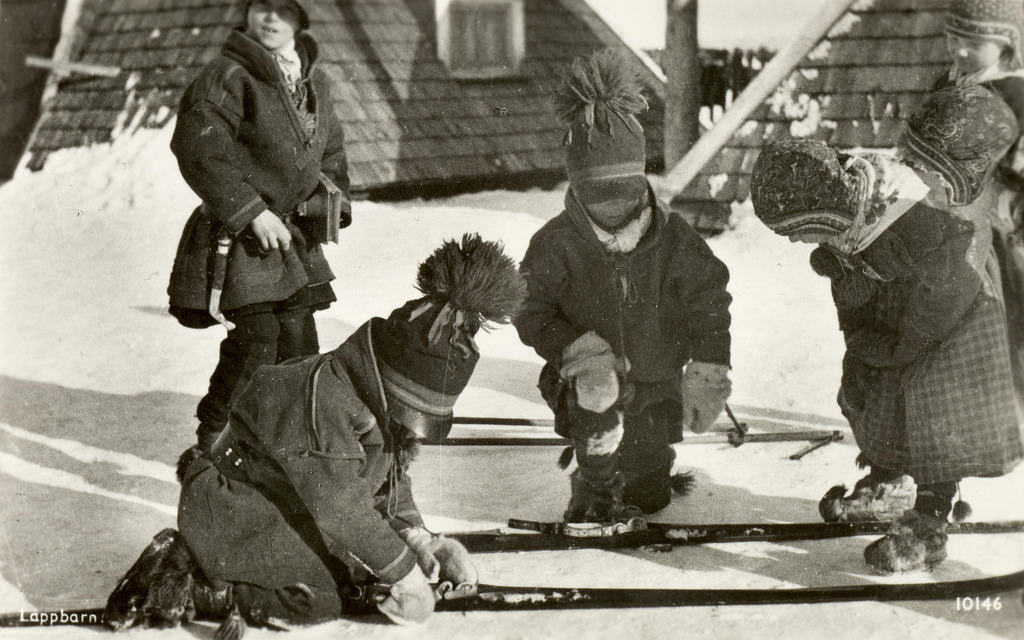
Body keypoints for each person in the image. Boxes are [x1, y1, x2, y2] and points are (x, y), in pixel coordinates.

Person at [104, 234, 527, 630]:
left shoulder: (375, 402)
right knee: (318, 599)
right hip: (234, 507)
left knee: (354, 567)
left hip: (285, 503)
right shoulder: (322, 398)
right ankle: (199, 579)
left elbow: (386, 486)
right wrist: (402, 573)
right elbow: (340, 504)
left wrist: (422, 540)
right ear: (387, 381)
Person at [749, 85, 1023, 573]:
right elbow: (853, 297)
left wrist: (901, 345)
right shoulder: (850, 217)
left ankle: (930, 518)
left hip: (954, 327)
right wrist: (864, 332)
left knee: (936, 412)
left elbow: (947, 290)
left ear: (825, 212)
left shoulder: (923, 217)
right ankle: (888, 479)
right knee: (869, 392)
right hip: (900, 325)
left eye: (798, 229)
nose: (793, 241)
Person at [514, 49, 733, 523]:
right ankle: (592, 484)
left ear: (641, 183)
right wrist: (575, 349)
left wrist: (710, 366)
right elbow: (529, 308)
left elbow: (710, 298)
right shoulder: (555, 243)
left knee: (648, 496)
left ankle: (643, 469)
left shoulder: (674, 237)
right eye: (598, 199)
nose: (613, 212)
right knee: (598, 407)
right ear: (577, 189)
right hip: (588, 380)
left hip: (655, 383)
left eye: (624, 197)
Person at [166, 0, 352, 451]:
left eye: (284, 11)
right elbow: (199, 151)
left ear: (300, 21)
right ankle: (209, 450)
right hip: (240, 237)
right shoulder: (226, 75)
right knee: (257, 344)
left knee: (300, 347)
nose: (271, 19)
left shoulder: (314, 80)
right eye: (261, 7)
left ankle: (285, 453)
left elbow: (331, 151)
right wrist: (253, 212)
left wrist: (332, 200)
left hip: (294, 239)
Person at [945, 0, 1024, 405]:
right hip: (954, 214)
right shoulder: (952, 84)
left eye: (973, 42)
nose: (960, 49)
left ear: (1005, 43)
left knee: (1008, 304)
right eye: (953, 38)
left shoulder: (1015, 91)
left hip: (1002, 217)